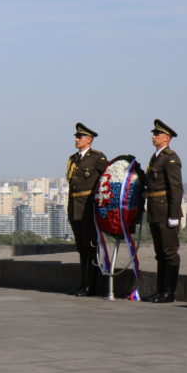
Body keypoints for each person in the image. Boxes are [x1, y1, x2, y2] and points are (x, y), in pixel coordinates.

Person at [143, 119, 183, 303]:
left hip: (166, 211)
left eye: (157, 134)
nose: (153, 136)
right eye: (154, 133)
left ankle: (169, 292)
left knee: (169, 253)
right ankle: (160, 290)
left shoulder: (170, 158)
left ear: (166, 138)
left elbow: (176, 188)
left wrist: (174, 215)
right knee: (160, 254)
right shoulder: (156, 157)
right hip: (154, 211)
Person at [66, 122, 107, 296]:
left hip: (89, 209)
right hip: (75, 208)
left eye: (80, 136)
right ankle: (84, 282)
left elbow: (106, 182)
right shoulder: (73, 159)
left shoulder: (98, 158)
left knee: (91, 247)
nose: (77, 139)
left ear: (89, 140)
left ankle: (91, 284)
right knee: (82, 248)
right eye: (76, 136)